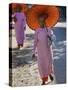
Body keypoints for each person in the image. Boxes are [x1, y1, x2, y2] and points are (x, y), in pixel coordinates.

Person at [33, 16, 55, 85]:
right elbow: (35, 42)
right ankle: (43, 80)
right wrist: (33, 52)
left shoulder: (48, 29)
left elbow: (53, 38)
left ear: (45, 21)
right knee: (41, 66)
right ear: (38, 22)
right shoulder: (37, 31)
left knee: (48, 65)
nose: (41, 23)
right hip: (40, 53)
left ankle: (49, 74)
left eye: (42, 21)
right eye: (40, 21)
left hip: (48, 52)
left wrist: (50, 35)